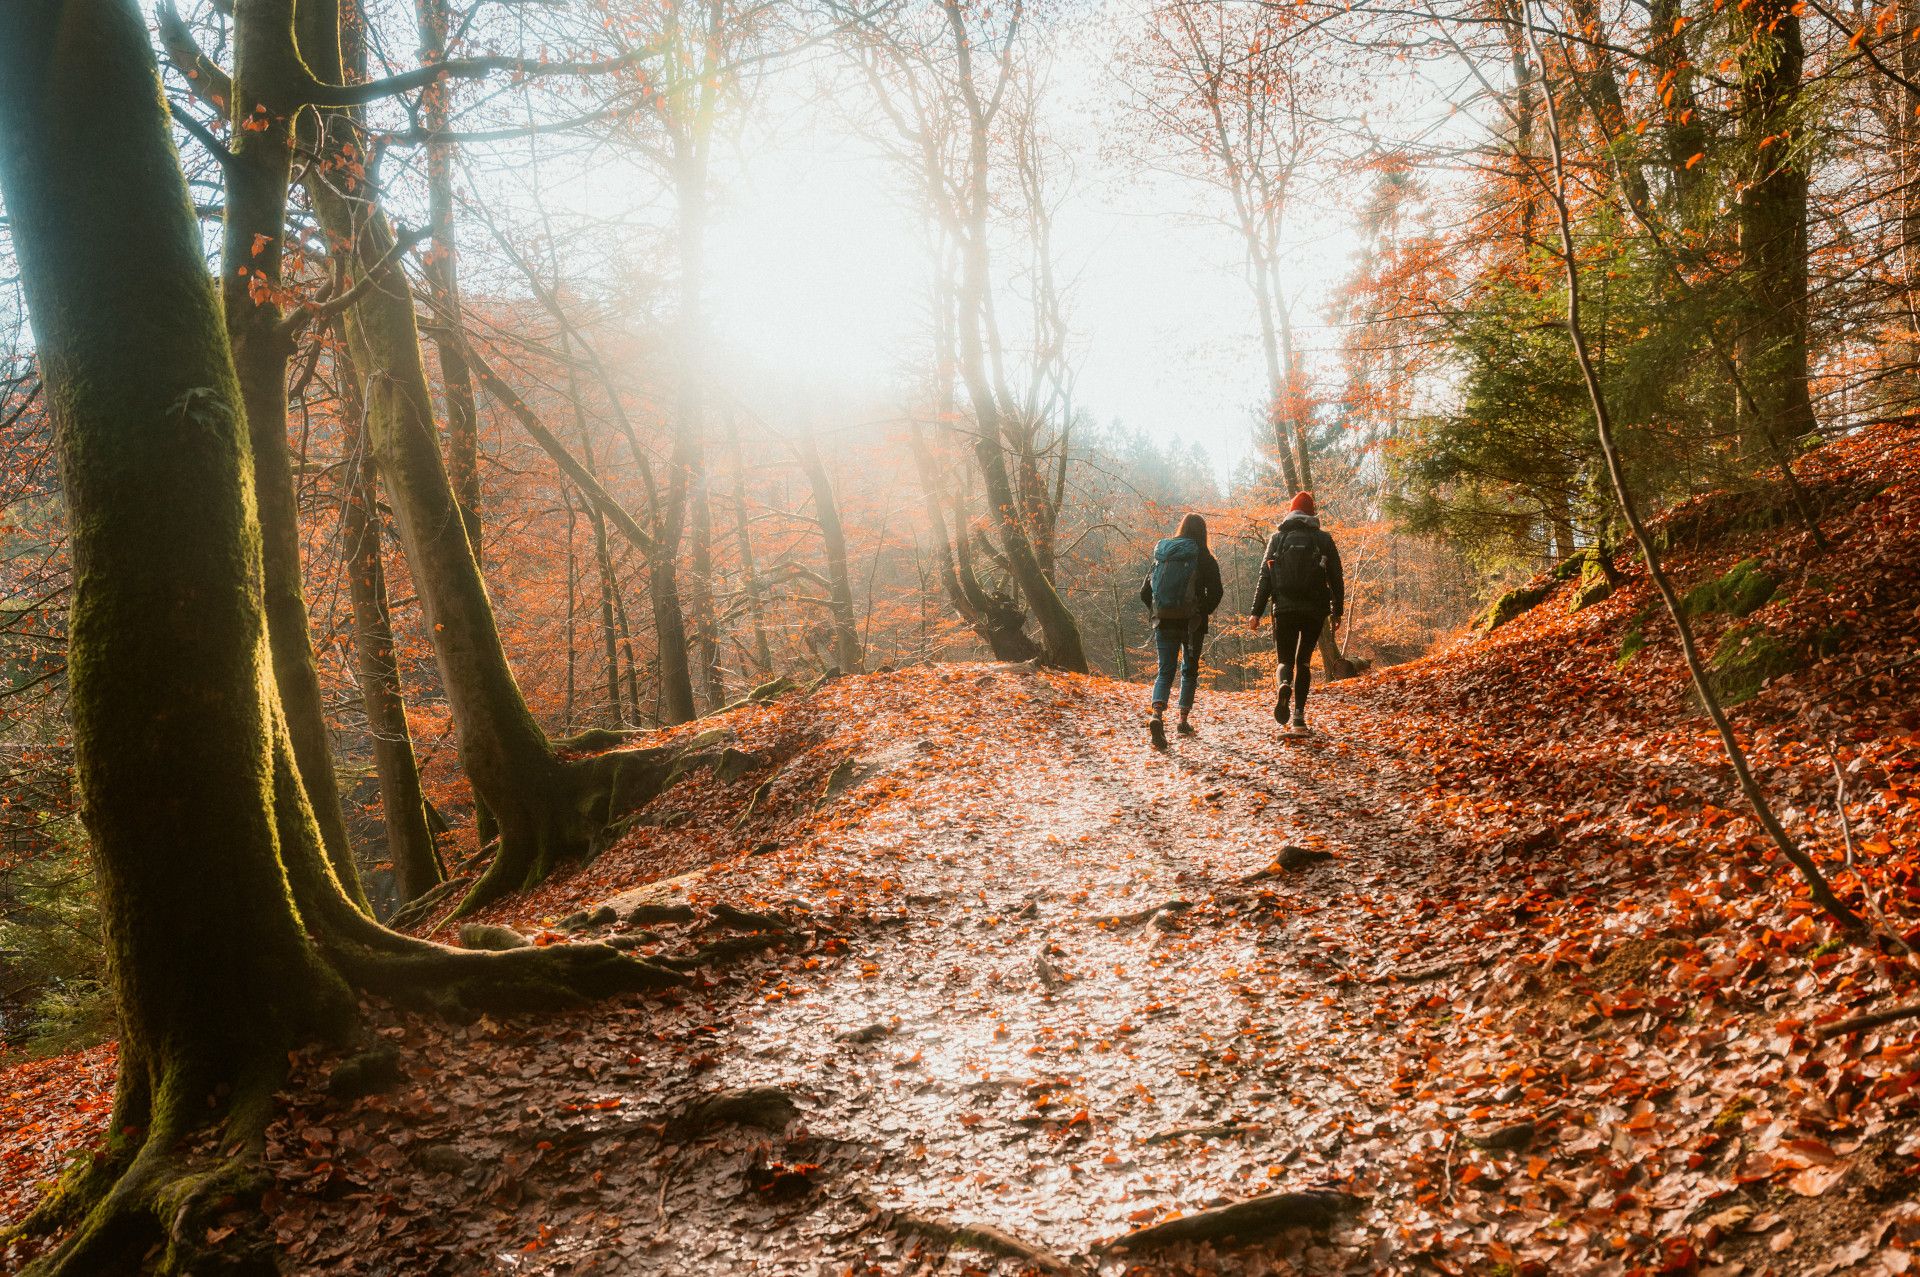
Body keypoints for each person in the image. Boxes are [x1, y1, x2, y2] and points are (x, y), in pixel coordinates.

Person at [1249, 492, 1345, 734]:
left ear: (1291, 511)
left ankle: (1283, 684)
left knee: (1285, 660)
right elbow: (1336, 577)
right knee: (1303, 662)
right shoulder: (1323, 539)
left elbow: (1265, 577)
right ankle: (1299, 719)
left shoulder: (1278, 538)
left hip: (1284, 608)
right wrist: (1337, 611)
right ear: (1312, 513)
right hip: (1314, 609)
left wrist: (1256, 612)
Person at [1140, 512, 1224, 748]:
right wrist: (1201, 611)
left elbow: (1144, 592)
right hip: (1191, 624)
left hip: (1164, 621)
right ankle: (1182, 720)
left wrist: (1157, 610)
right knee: (1189, 670)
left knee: (1164, 671)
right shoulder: (1205, 558)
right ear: (1203, 532)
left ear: (1181, 528)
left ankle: (1157, 714)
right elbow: (1217, 592)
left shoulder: (1164, 555)